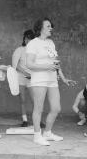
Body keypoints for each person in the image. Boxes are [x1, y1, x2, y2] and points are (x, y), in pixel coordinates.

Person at [26, 17, 75, 146]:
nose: (51, 28)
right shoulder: (33, 43)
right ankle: (37, 136)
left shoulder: (51, 43)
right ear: (40, 28)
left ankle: (47, 133)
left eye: (50, 26)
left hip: (52, 79)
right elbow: (29, 64)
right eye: (48, 26)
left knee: (56, 108)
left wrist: (63, 78)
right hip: (39, 79)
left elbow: (56, 63)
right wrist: (46, 67)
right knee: (39, 108)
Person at [12, 30, 35, 127]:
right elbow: (15, 65)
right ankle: (24, 120)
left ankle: (37, 120)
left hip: (32, 78)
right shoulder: (19, 50)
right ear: (24, 39)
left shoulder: (35, 52)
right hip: (20, 77)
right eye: (26, 38)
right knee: (23, 99)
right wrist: (26, 73)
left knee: (35, 100)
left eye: (30, 39)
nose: (27, 40)